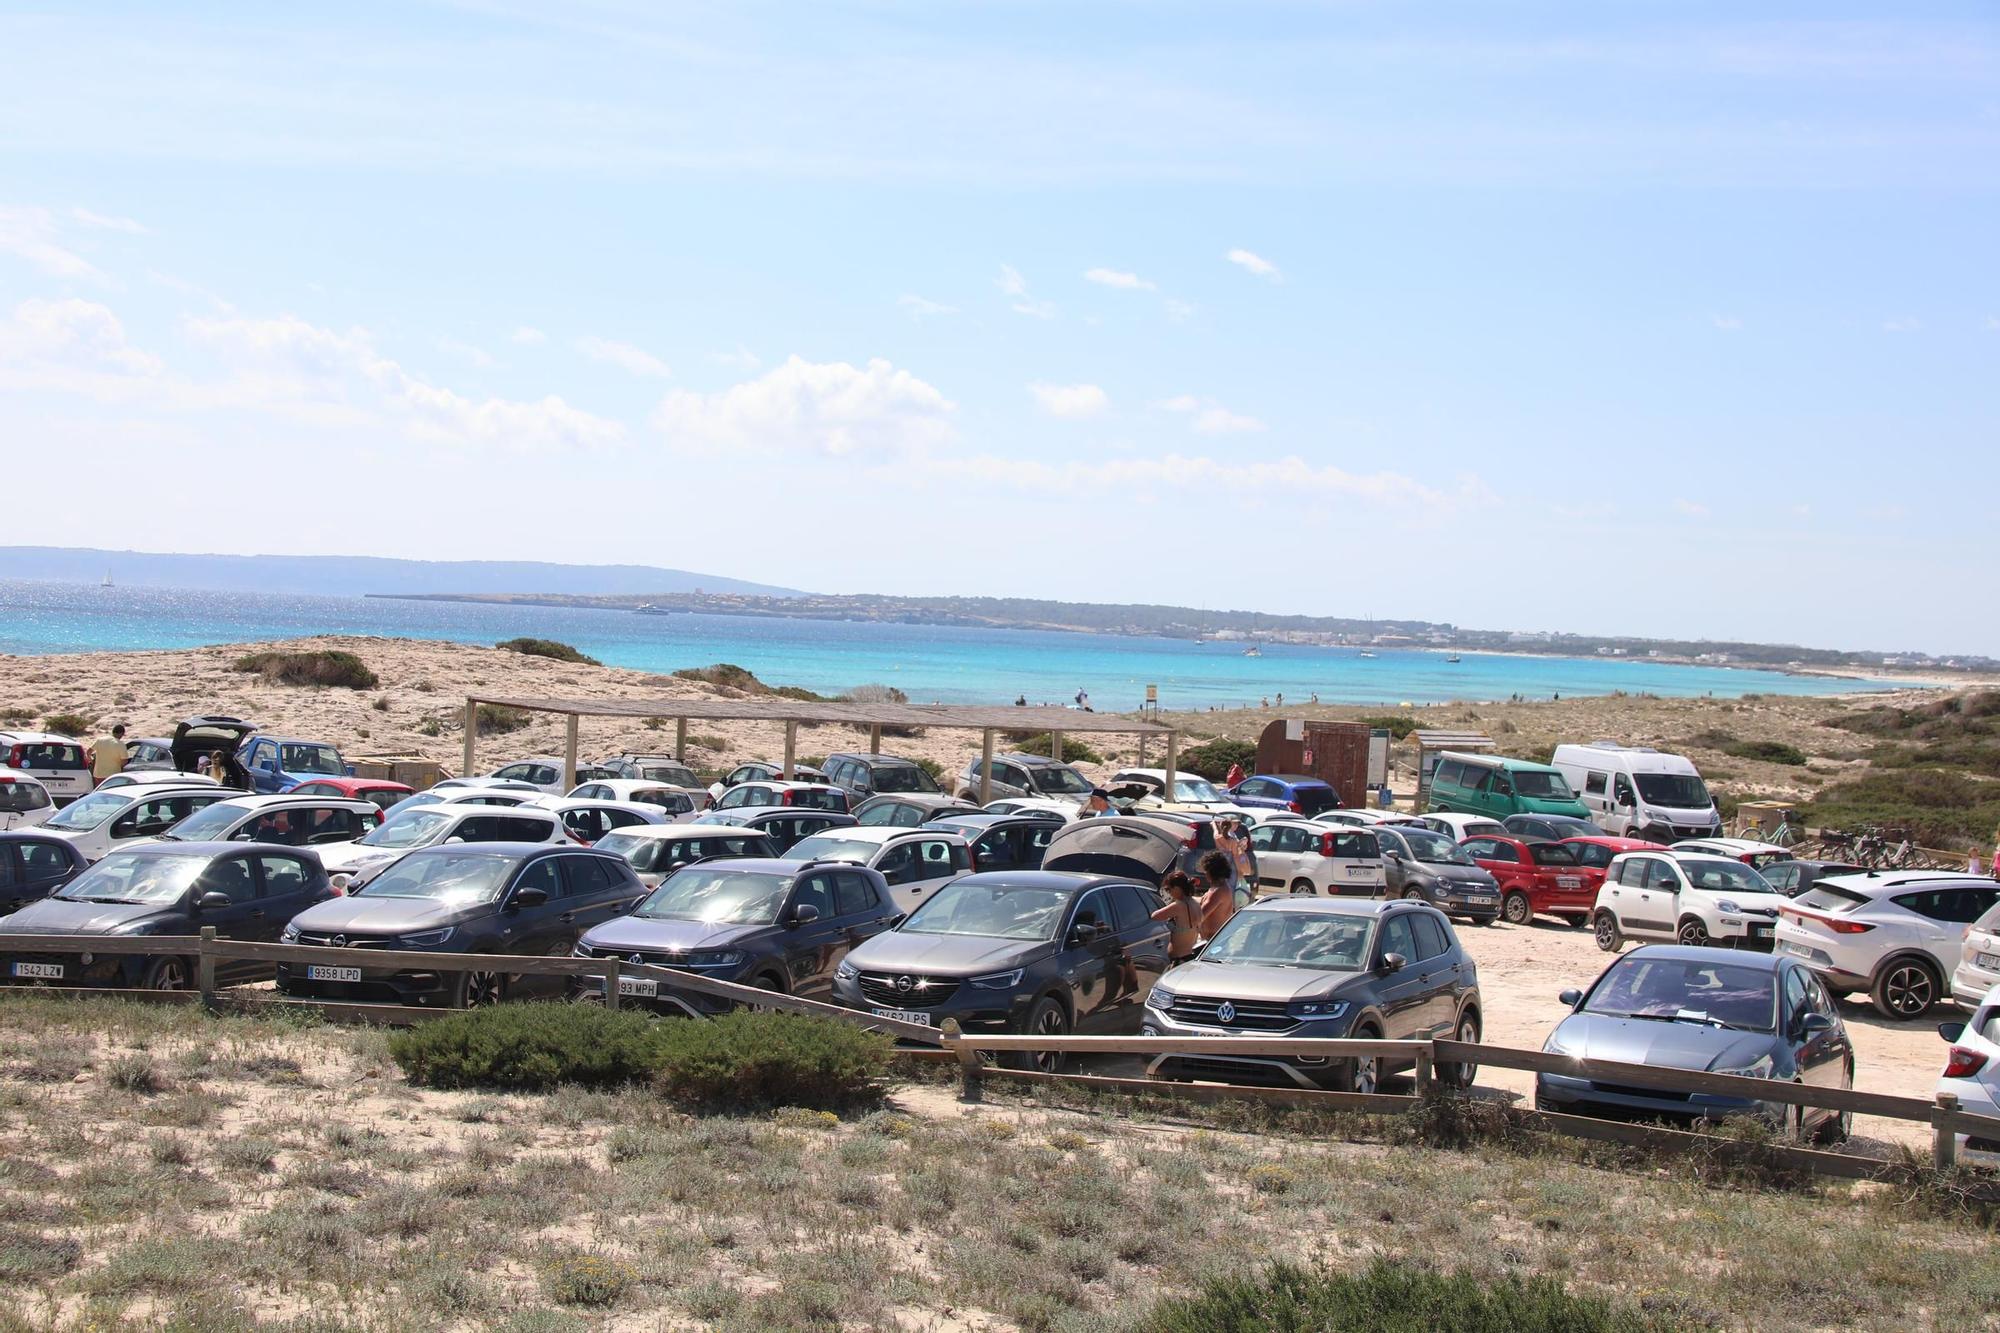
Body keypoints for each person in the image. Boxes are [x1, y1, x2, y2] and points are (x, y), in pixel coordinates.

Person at [1151, 870, 1203, 962]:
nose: (1169, 893)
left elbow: (1155, 916)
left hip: (1179, 959)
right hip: (1190, 955)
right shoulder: (1196, 902)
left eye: (1168, 889)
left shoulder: (1179, 906)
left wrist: (1171, 903)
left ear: (1177, 888)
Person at [1196, 851, 1237, 939]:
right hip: (1215, 940)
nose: (1204, 873)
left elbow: (1199, 917)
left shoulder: (1218, 892)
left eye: (1206, 870)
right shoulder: (1219, 888)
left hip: (1214, 942)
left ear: (1211, 871)